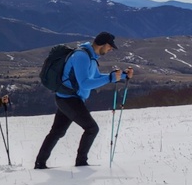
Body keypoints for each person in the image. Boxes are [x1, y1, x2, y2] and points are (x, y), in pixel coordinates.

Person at [34, 32, 133, 168]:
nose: (111, 49)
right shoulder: (82, 56)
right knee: (92, 129)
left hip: (67, 98)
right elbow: (85, 83)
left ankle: (40, 163)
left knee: (57, 132)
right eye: (110, 46)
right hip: (69, 99)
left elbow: (96, 77)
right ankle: (81, 163)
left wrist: (121, 76)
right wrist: (110, 78)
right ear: (103, 44)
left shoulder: (90, 56)